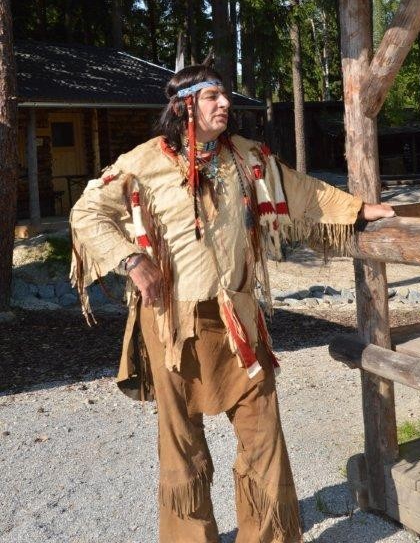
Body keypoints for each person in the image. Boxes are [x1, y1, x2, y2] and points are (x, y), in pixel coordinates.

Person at [70, 64, 394, 543]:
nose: (225, 104)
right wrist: (132, 260)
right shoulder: (142, 162)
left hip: (237, 319)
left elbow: (300, 190)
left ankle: (268, 536)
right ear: (184, 106)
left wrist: (359, 210)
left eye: (225, 96)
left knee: (262, 430)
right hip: (172, 324)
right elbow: (87, 212)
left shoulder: (247, 157)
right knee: (181, 441)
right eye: (213, 97)